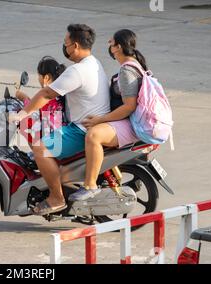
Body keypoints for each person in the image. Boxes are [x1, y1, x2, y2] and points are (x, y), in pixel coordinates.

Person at [11, 24, 110, 215]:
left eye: (65, 44)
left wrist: (22, 114)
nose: (64, 48)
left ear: (74, 45)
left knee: (40, 148)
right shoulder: (94, 63)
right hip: (88, 125)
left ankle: (56, 198)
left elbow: (47, 93)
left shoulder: (77, 71)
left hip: (81, 130)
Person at [69, 29, 144, 201]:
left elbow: (129, 106)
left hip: (132, 122)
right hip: (133, 120)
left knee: (93, 135)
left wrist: (100, 119)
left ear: (118, 47)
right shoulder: (134, 64)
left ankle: (90, 185)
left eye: (111, 43)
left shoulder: (127, 70)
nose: (109, 46)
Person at [16, 56, 67, 147]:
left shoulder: (47, 95)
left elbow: (32, 111)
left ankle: (37, 154)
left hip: (50, 136)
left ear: (46, 77)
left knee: (24, 122)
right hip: (60, 131)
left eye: (39, 76)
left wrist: (24, 99)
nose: (38, 79)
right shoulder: (57, 93)